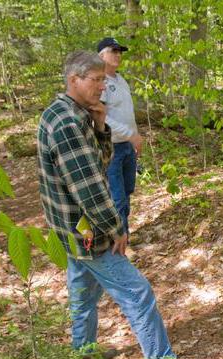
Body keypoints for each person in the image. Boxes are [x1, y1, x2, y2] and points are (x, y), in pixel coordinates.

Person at [36, 51, 204, 359]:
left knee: (82, 291)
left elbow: (98, 162)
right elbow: (90, 187)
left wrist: (100, 125)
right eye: (95, 80)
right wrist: (115, 228)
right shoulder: (68, 123)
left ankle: (83, 352)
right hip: (85, 231)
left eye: (103, 79)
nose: (102, 86)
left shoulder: (66, 112)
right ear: (73, 80)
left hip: (67, 229)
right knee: (137, 292)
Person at [97, 37, 141, 236]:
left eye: (119, 51)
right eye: (113, 51)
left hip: (127, 146)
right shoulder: (100, 83)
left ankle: (125, 233)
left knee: (127, 190)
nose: (118, 55)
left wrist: (135, 136)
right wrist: (130, 135)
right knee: (117, 197)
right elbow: (101, 118)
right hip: (111, 148)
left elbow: (127, 113)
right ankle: (119, 240)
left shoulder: (120, 80)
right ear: (101, 55)